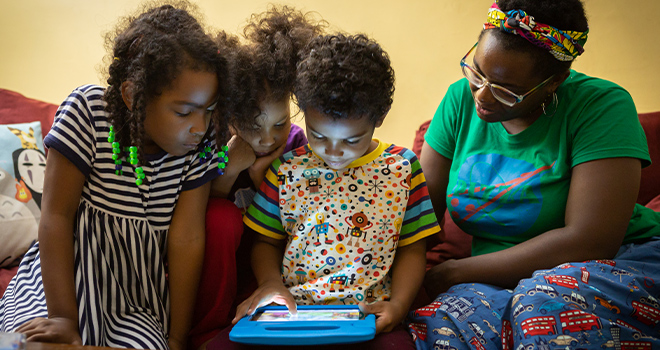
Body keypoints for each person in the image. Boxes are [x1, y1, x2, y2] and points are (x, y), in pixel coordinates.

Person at [409, 0, 660, 349]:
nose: (481, 94)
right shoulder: (458, 100)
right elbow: (419, 217)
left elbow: (590, 241)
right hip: (491, 280)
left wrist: (460, 271)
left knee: (541, 306)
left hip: (615, 261)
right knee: (447, 329)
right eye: (476, 72)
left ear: (554, 82)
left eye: (506, 89)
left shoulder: (601, 106)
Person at [0, 2, 230, 350]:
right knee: (26, 343)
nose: (199, 126)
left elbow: (187, 240)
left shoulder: (200, 147)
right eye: (184, 112)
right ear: (132, 95)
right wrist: (63, 318)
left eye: (209, 110)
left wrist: (177, 338)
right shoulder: (89, 112)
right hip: (60, 285)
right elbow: (56, 217)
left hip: (133, 300)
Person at [205, 33, 441, 350]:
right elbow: (264, 241)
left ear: (378, 119)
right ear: (302, 110)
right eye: (318, 136)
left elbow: (413, 248)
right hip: (292, 310)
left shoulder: (402, 168)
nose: (333, 152)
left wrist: (398, 305)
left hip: (366, 313)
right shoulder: (285, 169)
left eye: (351, 140)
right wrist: (271, 283)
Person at [189, 6, 325, 350]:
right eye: (253, 125)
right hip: (223, 262)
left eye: (279, 123)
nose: (267, 139)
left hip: (274, 263)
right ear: (230, 117)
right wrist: (231, 169)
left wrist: (271, 178)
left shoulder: (297, 146)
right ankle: (207, 329)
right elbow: (194, 215)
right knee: (219, 219)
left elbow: (312, 217)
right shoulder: (216, 143)